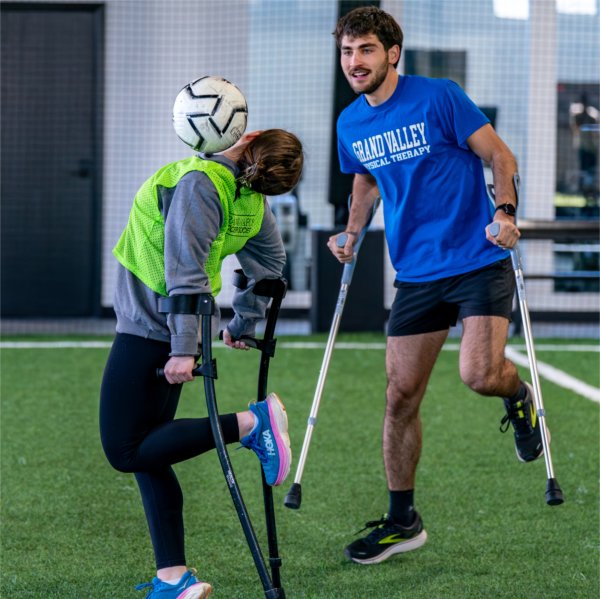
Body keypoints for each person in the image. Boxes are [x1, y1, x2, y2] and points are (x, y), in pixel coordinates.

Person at [328, 6, 545, 566]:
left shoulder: (439, 97)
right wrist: (350, 232)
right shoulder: (350, 123)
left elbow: (500, 155)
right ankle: (403, 521)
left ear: (392, 53)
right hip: (417, 272)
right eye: (348, 51)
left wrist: (506, 210)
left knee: (479, 374)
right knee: (399, 396)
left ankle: (519, 397)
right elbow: (365, 181)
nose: (355, 62)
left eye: (366, 50)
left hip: (477, 256)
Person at [100, 128, 303, 597]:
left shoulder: (198, 181)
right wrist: (243, 324)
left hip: (153, 330)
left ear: (246, 135)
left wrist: (183, 349)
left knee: (124, 450)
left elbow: (187, 271)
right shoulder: (248, 198)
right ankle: (173, 578)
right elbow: (271, 268)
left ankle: (252, 424)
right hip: (167, 329)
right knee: (151, 453)